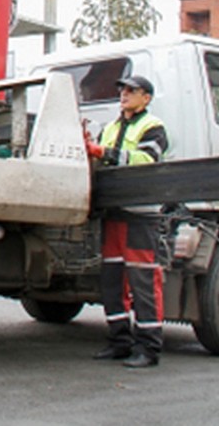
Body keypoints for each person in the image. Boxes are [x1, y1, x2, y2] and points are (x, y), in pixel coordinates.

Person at [85, 74, 169, 369]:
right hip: (114, 214)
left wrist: (103, 152)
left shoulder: (153, 128)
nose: (124, 94)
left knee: (143, 282)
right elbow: (97, 160)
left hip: (140, 216)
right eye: (122, 89)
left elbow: (147, 159)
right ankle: (119, 341)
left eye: (131, 90)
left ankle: (148, 348)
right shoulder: (110, 128)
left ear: (146, 97)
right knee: (112, 281)